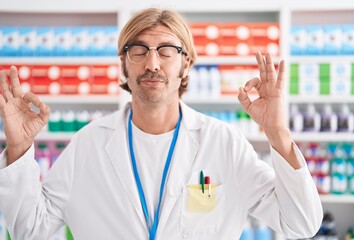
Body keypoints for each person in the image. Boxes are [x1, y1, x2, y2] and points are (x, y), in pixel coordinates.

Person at [0, 7, 322, 240]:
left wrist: (278, 135)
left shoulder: (224, 143)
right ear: (124, 64)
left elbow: (302, 223)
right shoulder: (88, 144)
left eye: (166, 51)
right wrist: (17, 147)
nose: (152, 63)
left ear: (186, 65)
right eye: (138, 50)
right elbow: (30, 229)